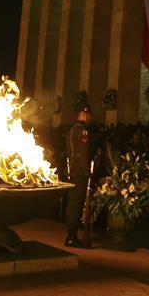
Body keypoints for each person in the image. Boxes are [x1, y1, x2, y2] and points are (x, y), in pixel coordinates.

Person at [64, 103, 91, 248]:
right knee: (76, 204)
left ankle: (71, 235)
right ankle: (72, 237)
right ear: (85, 115)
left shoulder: (71, 130)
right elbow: (83, 155)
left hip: (72, 170)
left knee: (72, 203)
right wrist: (88, 172)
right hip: (80, 172)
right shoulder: (83, 131)